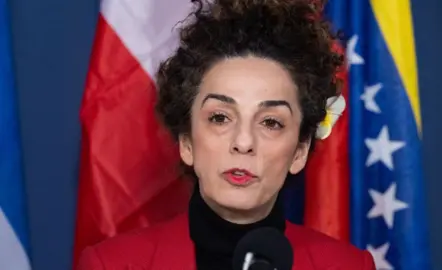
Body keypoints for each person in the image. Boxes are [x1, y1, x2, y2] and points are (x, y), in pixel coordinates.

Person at [77, 0, 375, 269]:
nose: (243, 142)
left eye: (271, 122)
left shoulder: (349, 266)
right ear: (187, 142)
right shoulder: (111, 265)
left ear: (299, 151)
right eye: (220, 118)